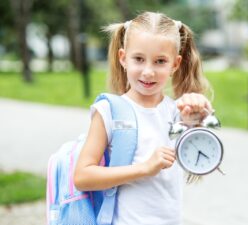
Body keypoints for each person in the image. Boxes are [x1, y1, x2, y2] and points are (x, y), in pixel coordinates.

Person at [74, 11, 213, 225]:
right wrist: (145, 168)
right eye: (139, 59)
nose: (148, 71)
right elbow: (82, 177)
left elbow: (201, 154)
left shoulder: (176, 111)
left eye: (160, 61)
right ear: (123, 58)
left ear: (175, 64)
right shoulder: (109, 111)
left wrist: (197, 114)